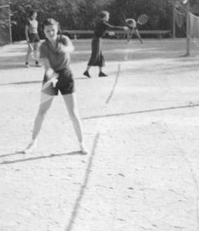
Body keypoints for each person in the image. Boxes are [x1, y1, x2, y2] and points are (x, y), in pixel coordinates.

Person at [23, 18, 87, 154]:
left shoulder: (64, 39)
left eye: (53, 30)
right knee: (42, 112)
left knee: (73, 113)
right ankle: (33, 142)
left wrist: (63, 48)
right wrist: (51, 74)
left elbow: (71, 48)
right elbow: (46, 64)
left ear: (57, 29)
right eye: (47, 31)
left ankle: (82, 144)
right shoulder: (44, 46)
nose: (50, 32)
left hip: (66, 75)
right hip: (50, 78)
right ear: (43, 31)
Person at [83, 11, 128, 78]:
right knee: (95, 56)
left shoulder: (101, 23)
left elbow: (100, 32)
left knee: (100, 56)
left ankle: (100, 72)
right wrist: (123, 28)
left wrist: (107, 34)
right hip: (96, 40)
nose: (108, 17)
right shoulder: (103, 23)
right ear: (104, 17)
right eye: (108, 16)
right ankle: (86, 71)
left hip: (98, 40)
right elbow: (112, 27)